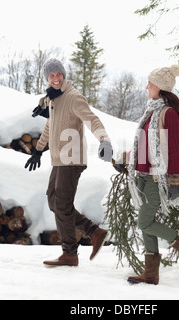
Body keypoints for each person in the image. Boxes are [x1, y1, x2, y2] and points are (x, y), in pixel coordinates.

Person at [118, 64, 179, 285]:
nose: (147, 87)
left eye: (150, 83)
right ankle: (151, 274)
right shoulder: (152, 112)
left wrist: (173, 179)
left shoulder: (169, 114)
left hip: (158, 178)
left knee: (144, 222)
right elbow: (144, 143)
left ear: (160, 87)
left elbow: (175, 149)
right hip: (144, 175)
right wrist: (127, 158)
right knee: (147, 221)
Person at [25, 58, 113, 267]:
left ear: (64, 75)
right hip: (59, 159)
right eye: (51, 76)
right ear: (47, 78)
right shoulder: (54, 98)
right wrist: (38, 150)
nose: (55, 78)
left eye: (58, 74)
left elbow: (92, 119)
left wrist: (104, 140)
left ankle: (70, 253)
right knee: (53, 201)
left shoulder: (73, 97)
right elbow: (50, 126)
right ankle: (94, 232)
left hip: (71, 158)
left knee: (62, 204)